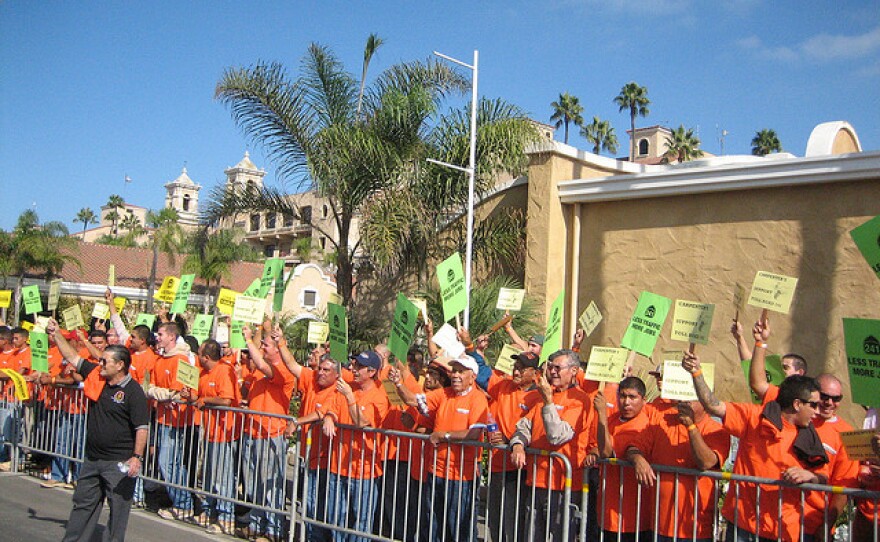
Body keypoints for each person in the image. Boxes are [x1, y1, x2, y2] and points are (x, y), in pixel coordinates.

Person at [684, 351, 832, 542]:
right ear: (797, 404)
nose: (817, 412)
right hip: (742, 525)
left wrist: (810, 476)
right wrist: (696, 373)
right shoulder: (755, 417)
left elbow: (824, 478)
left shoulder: (810, 436)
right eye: (813, 405)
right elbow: (713, 405)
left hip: (784, 529)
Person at [47, 318, 149, 542]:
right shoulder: (97, 376)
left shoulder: (133, 392)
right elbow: (72, 357)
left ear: (119, 365)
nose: (100, 365)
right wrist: (56, 335)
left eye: (105, 362)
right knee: (83, 505)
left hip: (118, 462)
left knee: (118, 512)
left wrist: (136, 457)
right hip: (93, 459)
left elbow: (142, 427)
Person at [388, 354, 489, 542]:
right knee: (433, 525)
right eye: (454, 371)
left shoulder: (478, 399)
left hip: (461, 476)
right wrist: (398, 384)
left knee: (459, 528)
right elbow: (413, 400)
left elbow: (474, 433)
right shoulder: (444, 393)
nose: (455, 375)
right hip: (436, 472)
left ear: (472, 376)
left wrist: (443, 435)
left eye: (461, 371)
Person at [509, 349, 594, 542]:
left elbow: (557, 436)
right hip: (536, 480)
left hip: (563, 484)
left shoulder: (580, 400)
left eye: (558, 367)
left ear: (573, 371)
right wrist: (518, 446)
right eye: (551, 367)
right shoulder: (545, 396)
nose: (553, 372)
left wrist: (548, 402)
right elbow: (523, 427)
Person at [625, 400, 730, 542]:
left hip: (696, 528)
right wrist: (637, 459)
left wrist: (691, 427)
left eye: (690, 399)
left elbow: (706, 462)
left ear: (704, 403)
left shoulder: (717, 430)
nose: (684, 402)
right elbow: (633, 447)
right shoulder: (662, 422)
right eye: (682, 397)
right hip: (660, 524)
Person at [326, 350, 391, 542]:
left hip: (365, 471)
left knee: (361, 521)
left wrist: (349, 397)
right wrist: (329, 417)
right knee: (336, 517)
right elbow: (333, 408)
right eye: (353, 365)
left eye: (359, 367)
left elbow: (361, 422)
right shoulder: (349, 388)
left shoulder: (379, 395)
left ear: (371, 372)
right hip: (339, 466)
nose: (353, 369)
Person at [241, 325, 296, 542]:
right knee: (254, 484)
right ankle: (256, 524)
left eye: (266, 344)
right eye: (261, 344)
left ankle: (273, 530)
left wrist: (248, 340)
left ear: (277, 349)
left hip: (271, 434)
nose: (262, 346)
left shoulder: (283, 371)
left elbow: (264, 366)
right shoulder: (257, 372)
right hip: (252, 432)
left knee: (271, 485)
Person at [484, 351, 541, 542]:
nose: (515, 372)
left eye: (521, 369)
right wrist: (470, 347)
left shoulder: (538, 396)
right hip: (497, 464)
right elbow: (482, 373)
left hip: (520, 469)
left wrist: (510, 442)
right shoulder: (503, 386)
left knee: (514, 519)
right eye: (515, 367)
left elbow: (533, 429)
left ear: (534, 373)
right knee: (494, 517)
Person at [147, 321, 199, 521]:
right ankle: (182, 502)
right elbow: (148, 387)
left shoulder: (181, 359)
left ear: (171, 336)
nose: (157, 337)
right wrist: (163, 394)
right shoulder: (159, 359)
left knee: (168, 462)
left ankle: (183, 503)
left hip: (176, 421)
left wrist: (164, 394)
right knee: (169, 463)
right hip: (162, 418)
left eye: (160, 334)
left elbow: (179, 394)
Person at [595, 376, 654, 542]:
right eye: (622, 396)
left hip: (634, 515)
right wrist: (602, 416)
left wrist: (637, 459)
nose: (626, 402)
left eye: (632, 397)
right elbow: (603, 449)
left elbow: (610, 451)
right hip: (609, 509)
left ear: (643, 400)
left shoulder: (644, 423)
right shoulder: (612, 419)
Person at [193, 338, 240, 535]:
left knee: (223, 478)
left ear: (206, 357)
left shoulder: (223, 370)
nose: (197, 357)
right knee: (211, 476)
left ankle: (226, 517)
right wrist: (193, 397)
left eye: (200, 353)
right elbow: (199, 395)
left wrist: (205, 399)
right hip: (211, 431)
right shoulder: (203, 372)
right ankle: (211, 511)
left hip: (225, 432)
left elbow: (226, 399)